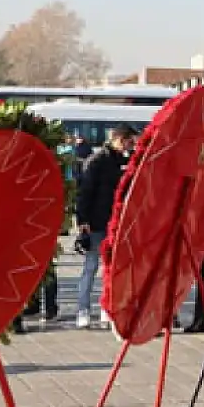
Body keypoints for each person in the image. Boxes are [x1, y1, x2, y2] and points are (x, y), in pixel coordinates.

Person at [74, 127, 134, 329]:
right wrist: (83, 221)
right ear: (118, 139)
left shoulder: (121, 161)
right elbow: (85, 192)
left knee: (112, 269)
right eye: (128, 142)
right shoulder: (98, 160)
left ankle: (105, 309)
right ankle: (83, 310)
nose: (129, 146)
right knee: (91, 267)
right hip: (97, 222)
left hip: (116, 222)